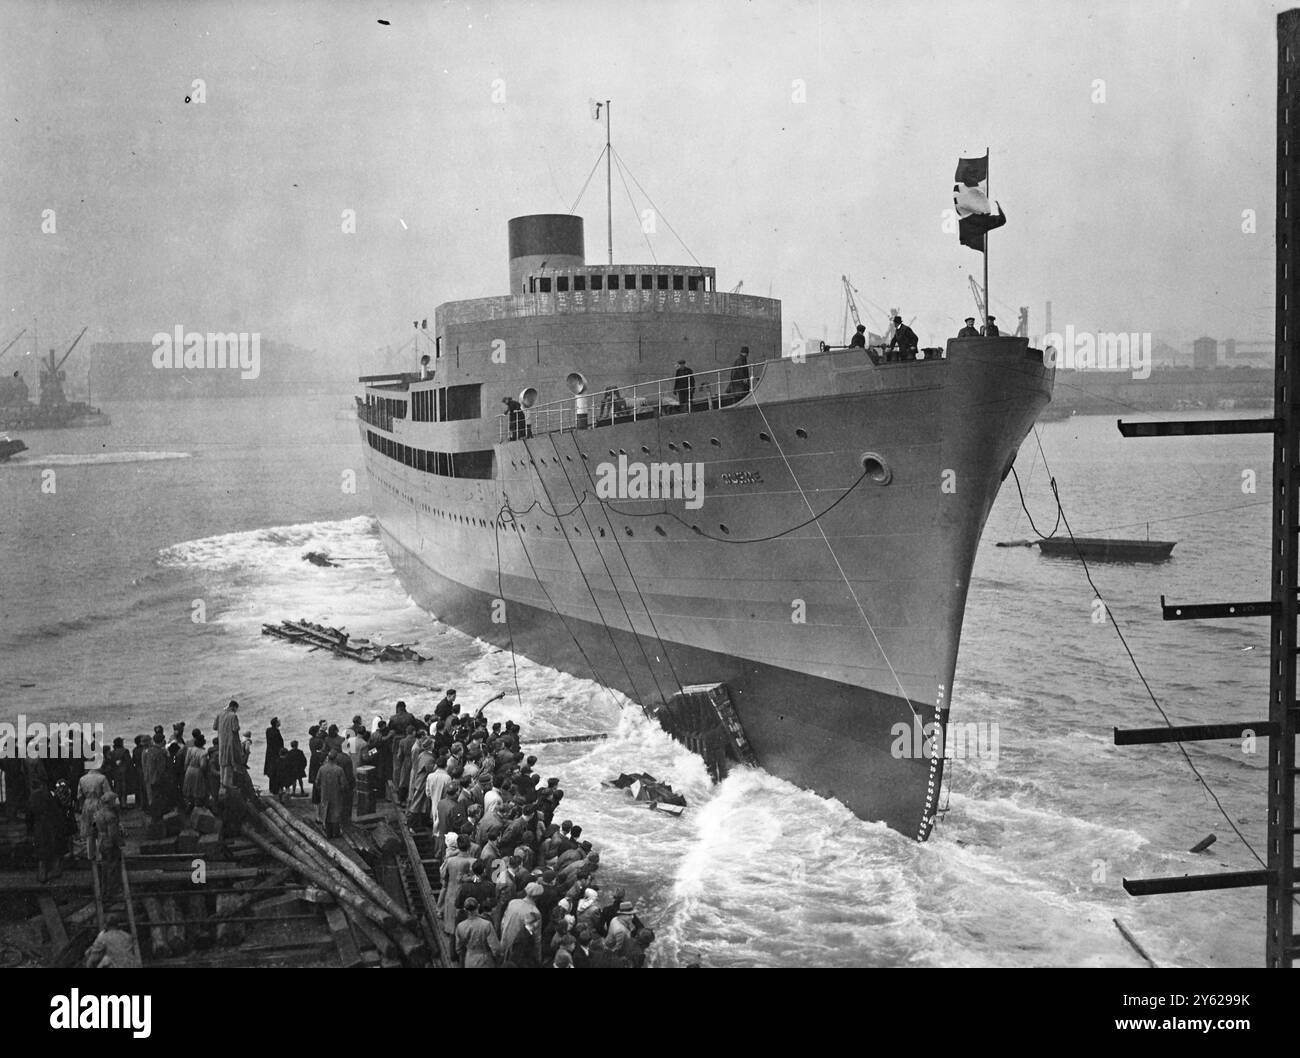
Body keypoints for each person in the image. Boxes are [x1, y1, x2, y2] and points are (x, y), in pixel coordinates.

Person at [454, 897, 500, 968]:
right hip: (485, 959)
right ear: (478, 906)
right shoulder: (486, 924)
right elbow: (495, 948)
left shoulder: (460, 926)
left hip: (469, 959)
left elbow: (458, 948)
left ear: (465, 909)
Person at [216, 699, 244, 797]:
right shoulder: (233, 716)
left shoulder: (220, 714)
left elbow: (215, 727)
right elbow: (235, 729)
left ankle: (222, 787)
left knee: (222, 765)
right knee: (229, 766)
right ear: (233, 707)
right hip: (231, 743)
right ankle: (227, 789)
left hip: (221, 743)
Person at [316, 749, 346, 837]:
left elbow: (317, 782)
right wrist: (342, 792)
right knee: (336, 813)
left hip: (325, 794)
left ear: (328, 758)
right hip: (336, 794)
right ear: (336, 758)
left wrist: (321, 790)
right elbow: (343, 784)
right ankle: (336, 833)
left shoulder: (322, 769)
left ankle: (328, 833)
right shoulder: (339, 769)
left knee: (326, 812)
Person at [264, 718, 284, 794]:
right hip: (275, 754)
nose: (280, 722)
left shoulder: (268, 730)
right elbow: (278, 743)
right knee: (276, 771)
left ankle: (272, 788)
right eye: (278, 721)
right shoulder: (276, 731)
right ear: (276, 723)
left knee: (271, 771)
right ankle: (276, 789)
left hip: (269, 753)